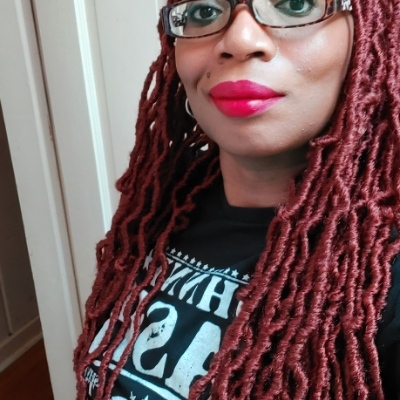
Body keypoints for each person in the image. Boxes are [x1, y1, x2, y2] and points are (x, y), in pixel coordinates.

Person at [74, 0, 400, 398]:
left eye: (295, 5)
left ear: (373, 34)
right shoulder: (161, 204)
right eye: (204, 10)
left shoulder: (384, 273)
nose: (240, 40)